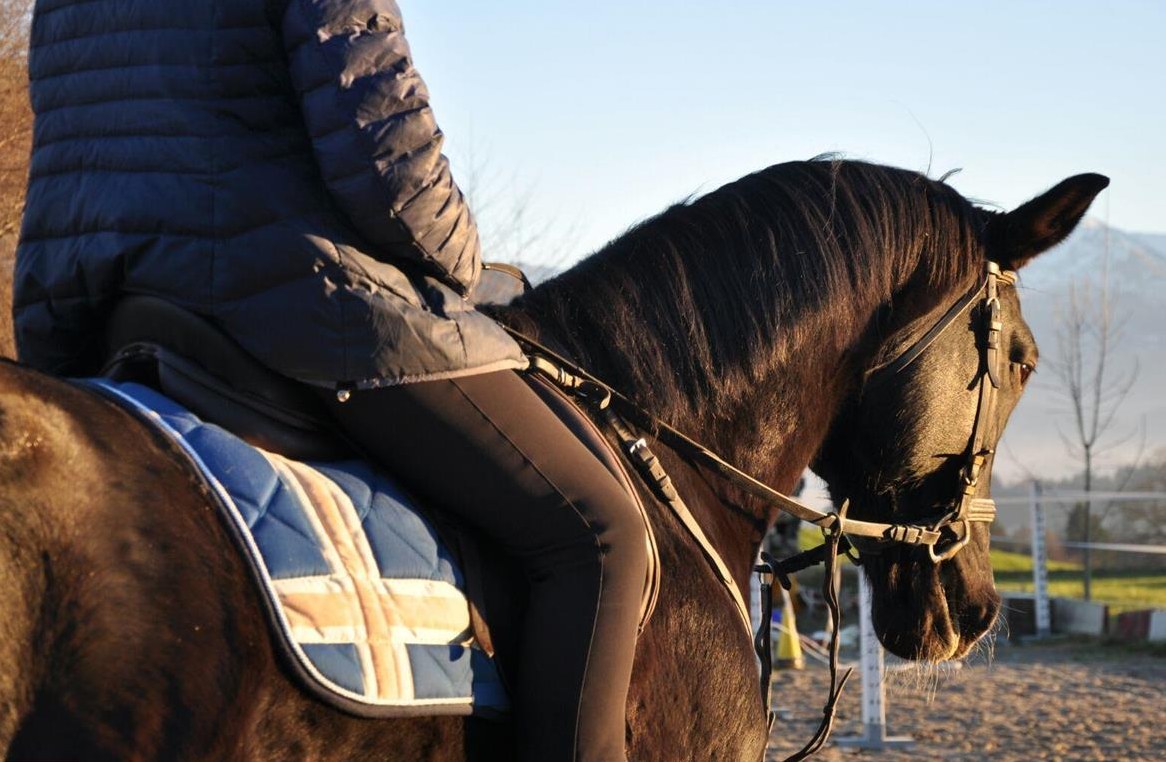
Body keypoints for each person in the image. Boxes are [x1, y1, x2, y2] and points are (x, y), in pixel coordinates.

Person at [13, 1, 646, 759]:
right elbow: (389, 157)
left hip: (111, 312)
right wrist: (464, 268)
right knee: (602, 534)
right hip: (286, 298)